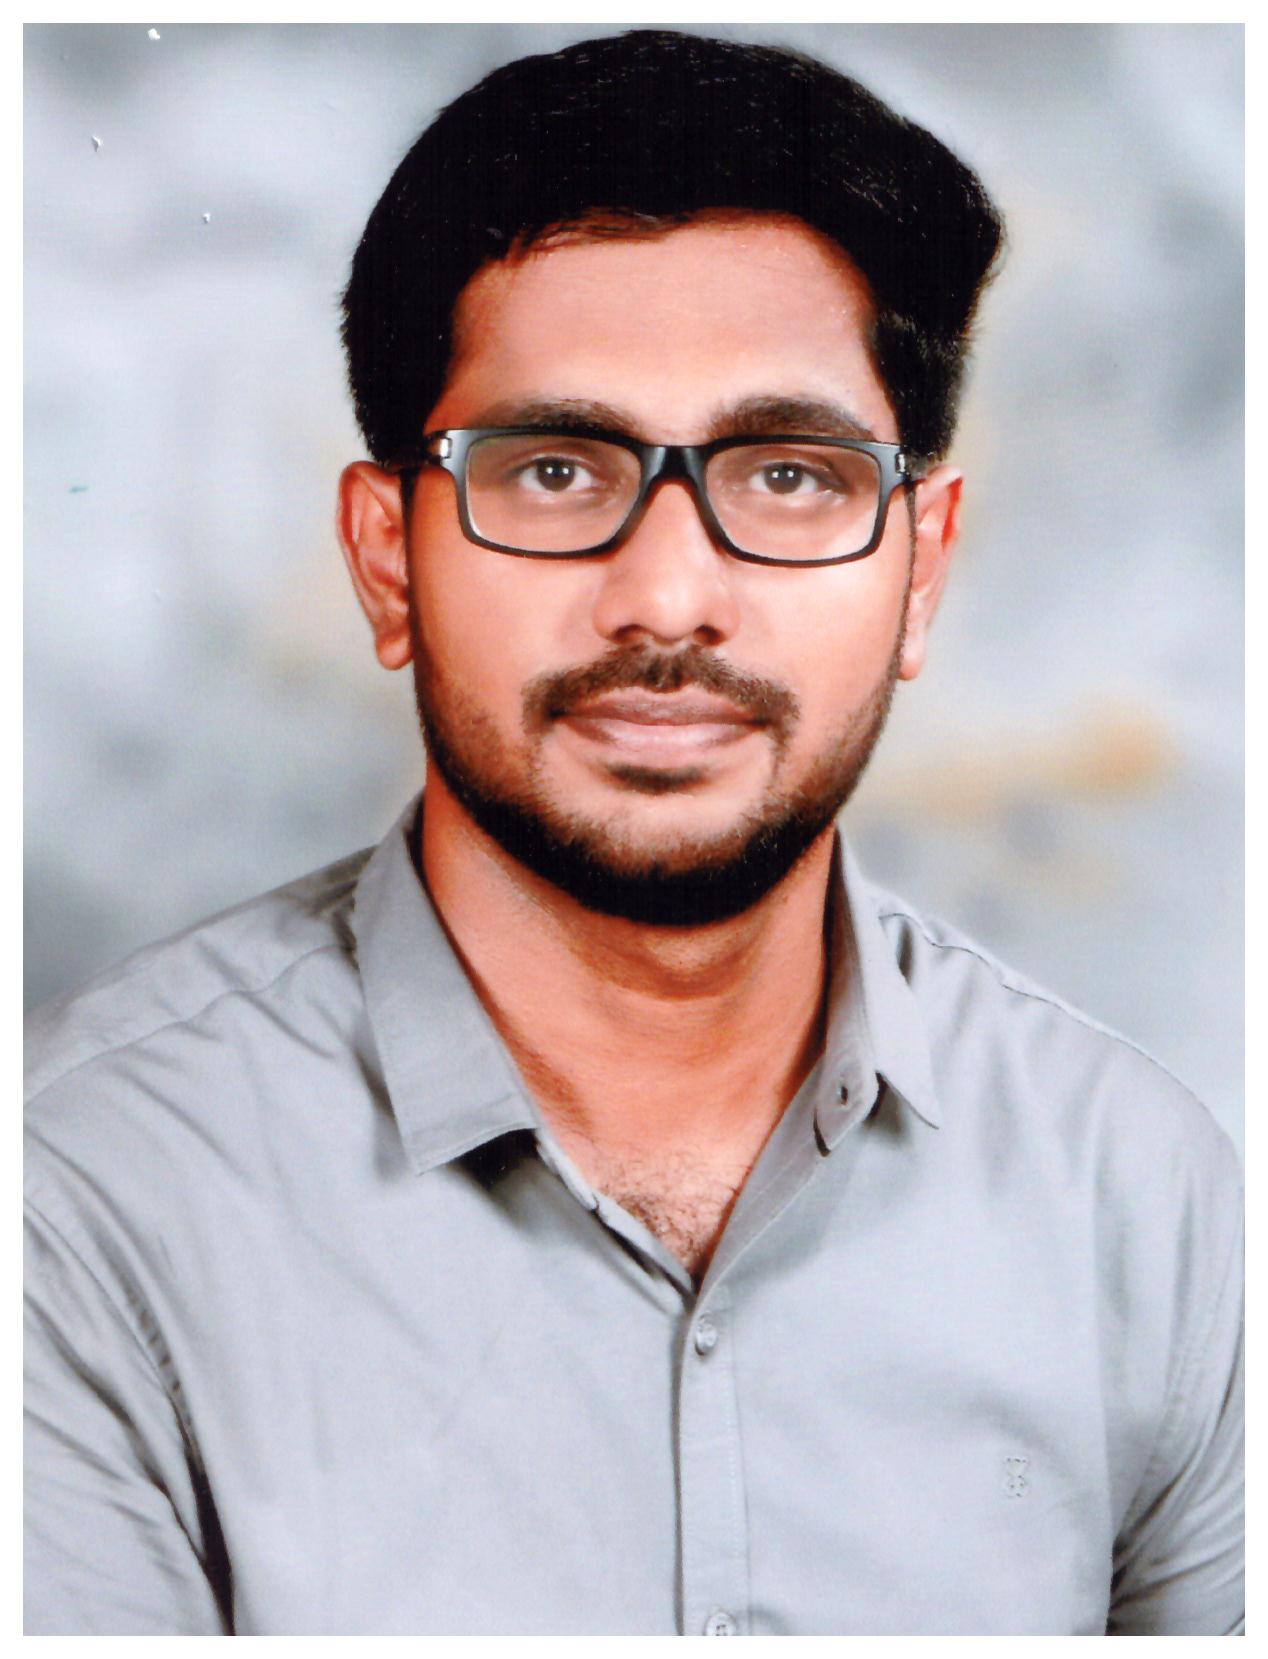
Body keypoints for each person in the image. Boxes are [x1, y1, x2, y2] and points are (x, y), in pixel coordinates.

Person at [24, 29, 1242, 1637]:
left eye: (791, 474)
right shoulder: (79, 1194)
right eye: (552, 469)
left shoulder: (1135, 1192)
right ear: (388, 560)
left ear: (922, 569)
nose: (668, 599)